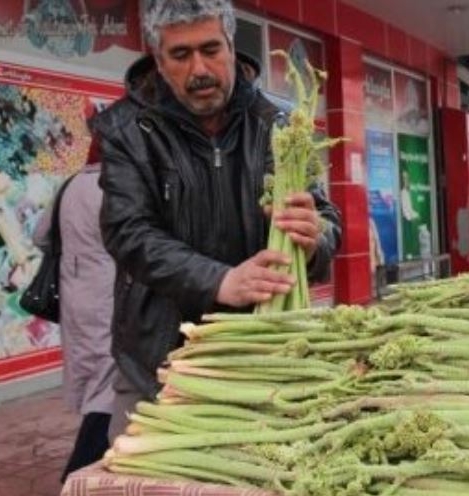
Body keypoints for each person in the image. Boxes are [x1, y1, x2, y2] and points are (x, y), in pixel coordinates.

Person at [90, 0, 342, 441]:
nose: (199, 69)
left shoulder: (277, 122)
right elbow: (127, 232)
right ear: (157, 58)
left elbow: (325, 220)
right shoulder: (126, 129)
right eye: (181, 55)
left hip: (265, 352)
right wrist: (220, 281)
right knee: (149, 491)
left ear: (231, 44)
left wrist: (314, 237)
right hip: (161, 360)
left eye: (210, 49)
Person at [33, 135, 116, 481]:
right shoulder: (114, 189)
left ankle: (99, 463)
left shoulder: (69, 186)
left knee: (93, 375)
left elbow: (41, 236)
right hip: (109, 295)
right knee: (109, 383)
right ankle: (79, 472)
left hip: (73, 296)